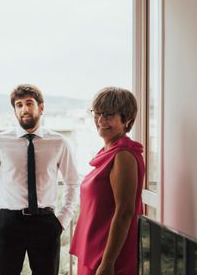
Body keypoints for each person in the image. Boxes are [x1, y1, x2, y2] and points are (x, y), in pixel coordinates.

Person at [0, 84, 79, 275]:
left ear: (41, 107)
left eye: (29, 103)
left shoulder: (58, 142)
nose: (24, 109)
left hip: (46, 223)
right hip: (9, 223)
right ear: (14, 111)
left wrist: (62, 220)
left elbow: (72, 182)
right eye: (19, 105)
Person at [70, 87, 145, 275]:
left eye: (109, 115)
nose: (101, 120)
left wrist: (107, 263)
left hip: (108, 255)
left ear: (127, 119)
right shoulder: (108, 151)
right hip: (95, 249)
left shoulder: (123, 156)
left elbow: (125, 212)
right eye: (98, 113)